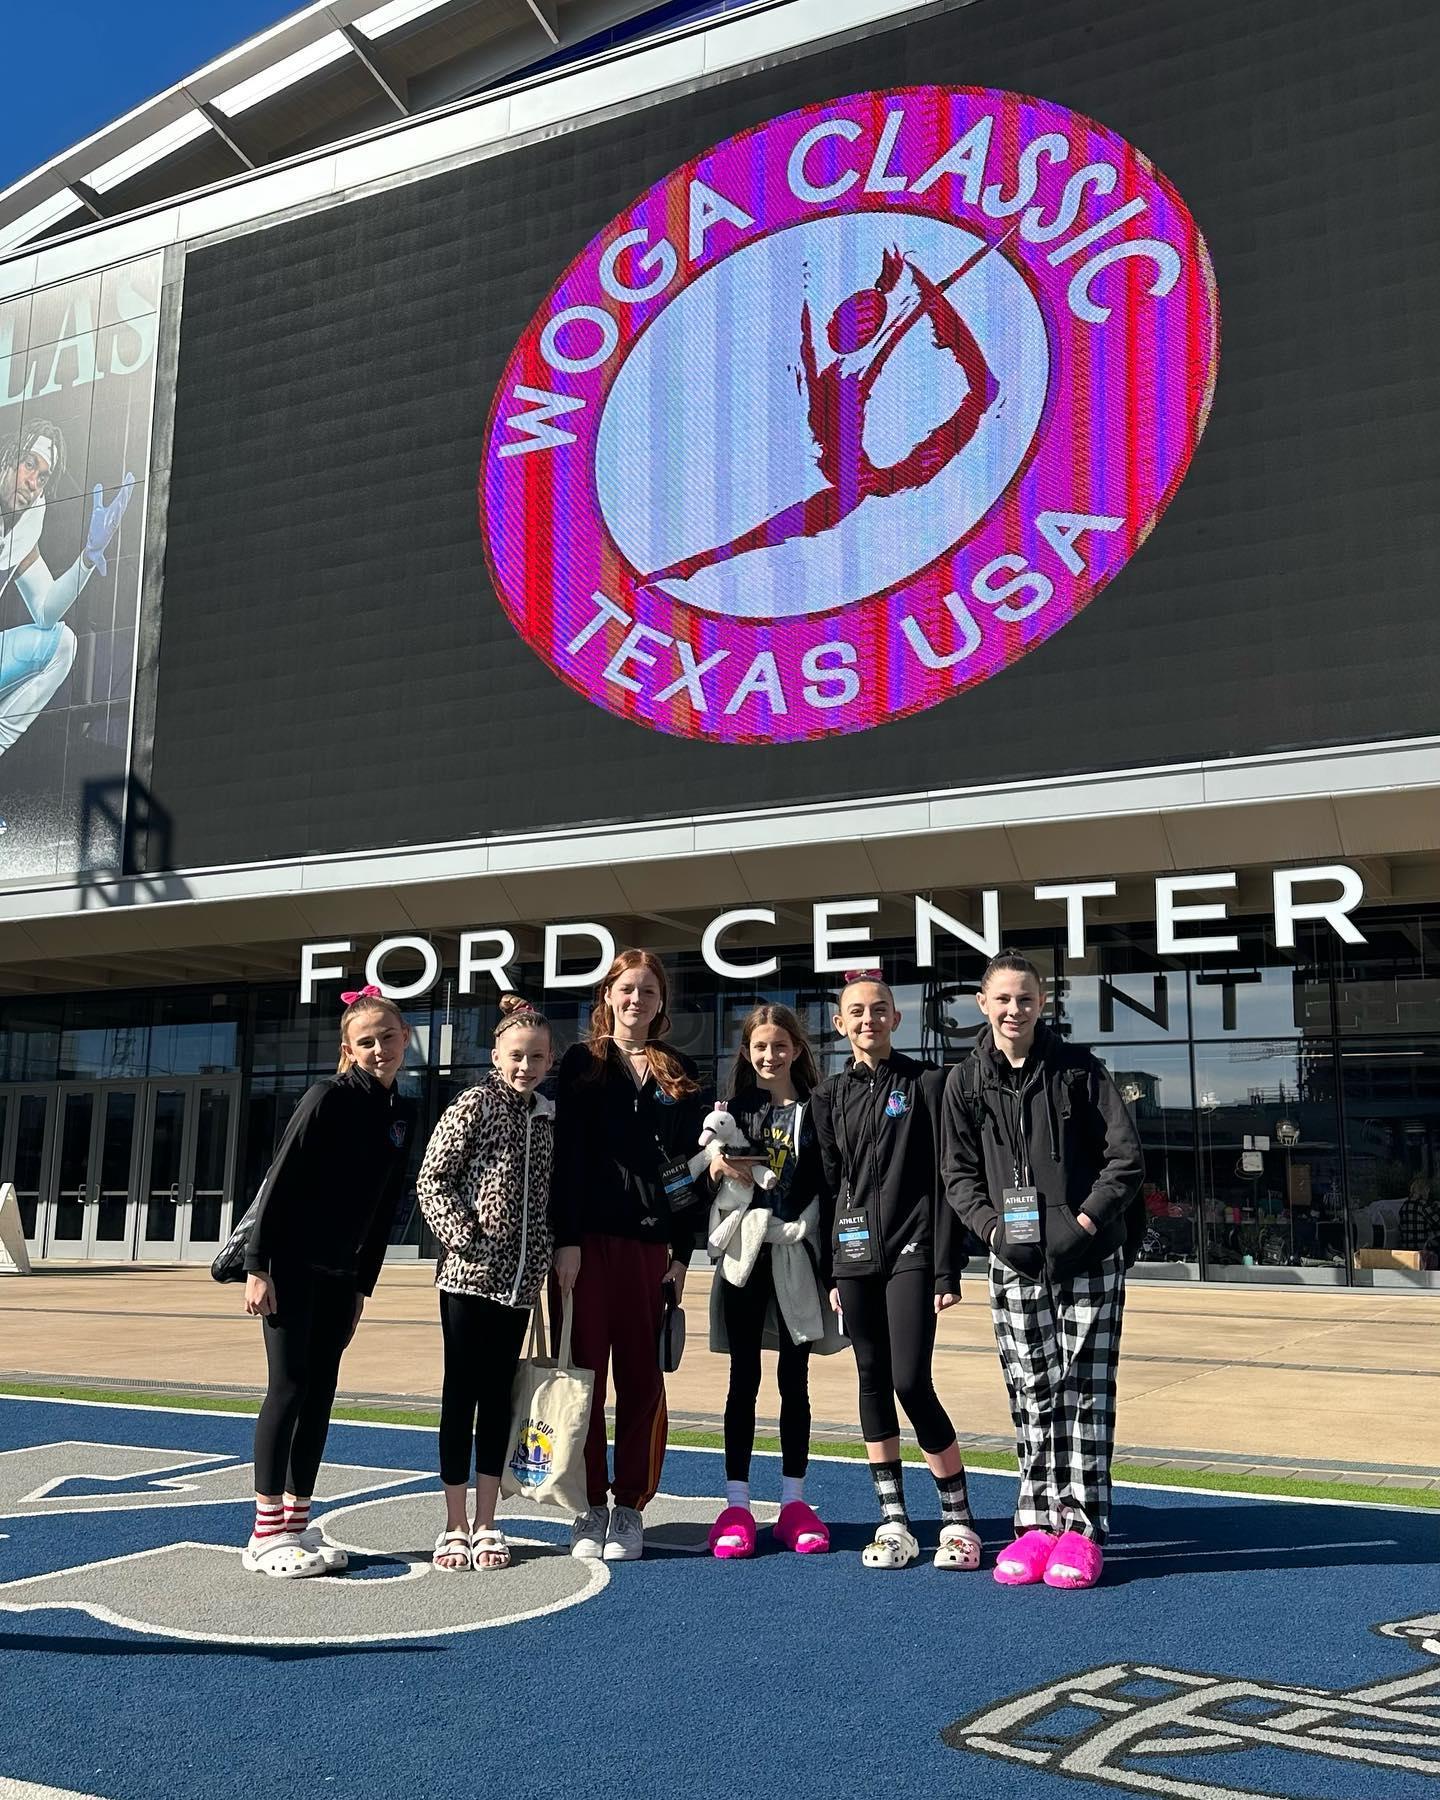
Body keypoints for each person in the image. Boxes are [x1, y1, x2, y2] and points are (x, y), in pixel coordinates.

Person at [942, 950, 1143, 1590]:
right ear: (983, 1003)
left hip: (1089, 1255)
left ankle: (1082, 1531)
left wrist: (1083, 1223)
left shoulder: (1081, 1072)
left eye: (1025, 998)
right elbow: (957, 1175)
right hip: (1015, 1260)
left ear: (1042, 1003)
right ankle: (1035, 1525)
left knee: (1084, 1390)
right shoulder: (965, 1083)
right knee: (1029, 1391)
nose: (1014, 1009)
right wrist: (996, 1231)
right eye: (1002, 998)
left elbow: (1126, 1160)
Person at [240, 985, 417, 1577]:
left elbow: (387, 1203)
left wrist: (364, 1285)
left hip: (342, 1275)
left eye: (387, 1037)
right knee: (288, 1389)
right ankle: (263, 1530)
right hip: (290, 1265)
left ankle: (296, 1520)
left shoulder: (400, 1113)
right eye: (365, 1042)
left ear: (406, 1038)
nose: (378, 1049)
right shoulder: (326, 1097)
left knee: (320, 1396)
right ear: (347, 1049)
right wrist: (258, 1267)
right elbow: (279, 1181)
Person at [809, 971, 979, 1572]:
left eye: (878, 1009)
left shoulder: (929, 1083)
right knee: (871, 1377)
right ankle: (895, 1521)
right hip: (852, 1256)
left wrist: (945, 1269)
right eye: (855, 1011)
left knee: (911, 1380)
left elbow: (945, 1179)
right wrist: (830, 1270)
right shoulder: (827, 1096)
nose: (867, 1020)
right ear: (839, 1022)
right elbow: (829, 1188)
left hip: (913, 1249)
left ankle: (958, 1521)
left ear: (896, 1018)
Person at [552, 949, 708, 1563]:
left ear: (660, 1001)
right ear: (608, 996)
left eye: (647, 990)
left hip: (651, 1250)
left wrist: (683, 1253)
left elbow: (690, 1172)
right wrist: (564, 1240)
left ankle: (629, 1507)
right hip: (585, 1246)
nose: (636, 999)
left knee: (642, 1381)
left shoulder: (681, 1070)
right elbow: (564, 1159)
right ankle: (589, 1505)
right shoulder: (579, 1063)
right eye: (625, 988)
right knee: (584, 1376)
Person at [417, 993, 559, 1573]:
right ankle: (453, 1523)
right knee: (462, 1394)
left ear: (551, 1061)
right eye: (516, 1055)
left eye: (538, 1057)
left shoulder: (547, 1115)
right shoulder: (475, 1104)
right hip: (468, 1280)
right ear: (496, 1052)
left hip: (522, 1286)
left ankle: (488, 1520)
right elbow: (433, 1180)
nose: (526, 1066)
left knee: (500, 1399)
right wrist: (467, 1240)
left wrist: (543, 1252)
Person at [704, 1003, 844, 1559]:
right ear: (746, 1051)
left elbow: (832, 1188)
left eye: (780, 1046)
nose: (769, 1055)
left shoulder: (818, 1110)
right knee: (743, 1380)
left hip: (796, 1253)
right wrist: (715, 1168)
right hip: (744, 1257)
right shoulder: (730, 1113)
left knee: (795, 1379)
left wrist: (829, 1258)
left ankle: (793, 1501)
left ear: (797, 1050)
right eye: (760, 1046)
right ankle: (736, 1502)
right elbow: (699, 1186)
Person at [0, 421, 134, 766]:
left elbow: (44, 611)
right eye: (29, 464)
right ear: (6, 460)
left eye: (43, 476)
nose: (33, 482)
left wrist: (88, 558)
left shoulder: (27, 520)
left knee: (62, 643)